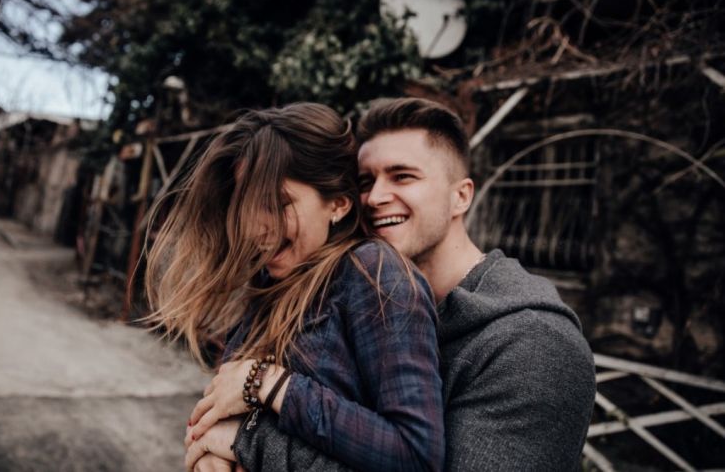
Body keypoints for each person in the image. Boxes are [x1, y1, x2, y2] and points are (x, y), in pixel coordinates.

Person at [187, 98, 596, 471]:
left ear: (461, 196)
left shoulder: (533, 344)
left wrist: (249, 440)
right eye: (365, 182)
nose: (375, 197)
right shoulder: (347, 294)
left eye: (402, 176)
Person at [143, 102, 445, 472]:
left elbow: (415, 455)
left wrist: (268, 383)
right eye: (245, 206)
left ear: (338, 204)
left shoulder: (373, 274)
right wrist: (212, 451)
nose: (256, 229)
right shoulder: (271, 282)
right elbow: (244, 421)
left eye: (278, 203)